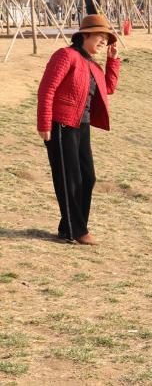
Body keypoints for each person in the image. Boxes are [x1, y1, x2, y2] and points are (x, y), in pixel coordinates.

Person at [37, 15, 120, 245]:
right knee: (69, 179)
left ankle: (69, 227)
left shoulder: (92, 64)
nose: (104, 41)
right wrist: (44, 123)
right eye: (100, 36)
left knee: (88, 177)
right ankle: (77, 231)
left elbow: (108, 87)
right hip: (61, 124)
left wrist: (112, 61)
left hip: (81, 126)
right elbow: (47, 89)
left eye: (106, 39)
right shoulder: (66, 55)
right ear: (85, 35)